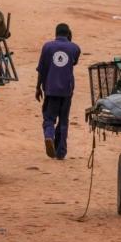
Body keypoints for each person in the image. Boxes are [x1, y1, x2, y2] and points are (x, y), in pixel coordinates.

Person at [36, 23, 80, 160]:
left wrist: (38, 87)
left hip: (51, 89)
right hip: (67, 90)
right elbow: (73, 63)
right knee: (63, 121)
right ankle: (61, 152)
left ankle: (49, 136)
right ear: (68, 34)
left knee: (49, 118)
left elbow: (42, 69)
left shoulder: (47, 47)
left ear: (56, 34)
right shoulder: (75, 48)